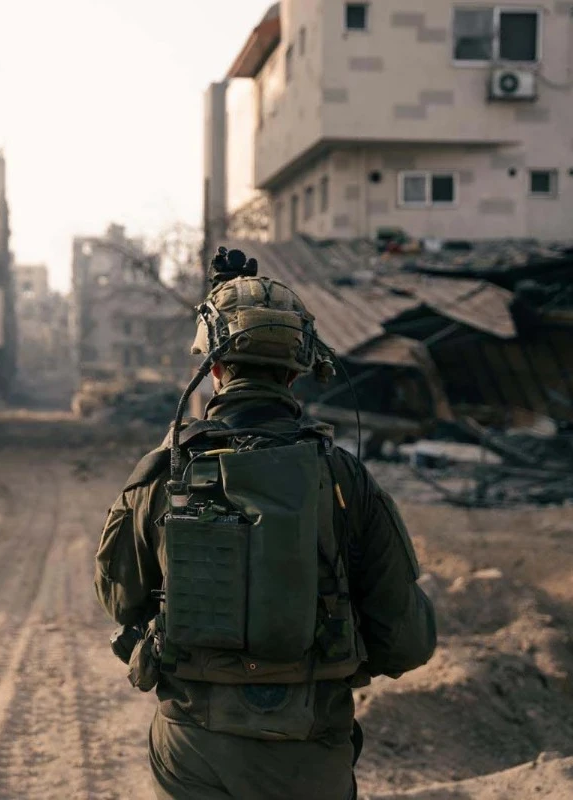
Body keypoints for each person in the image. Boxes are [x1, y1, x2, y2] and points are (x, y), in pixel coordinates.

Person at [94, 250, 436, 800]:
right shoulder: (347, 481)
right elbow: (408, 643)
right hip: (308, 748)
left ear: (213, 369)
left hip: (194, 750)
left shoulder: (166, 472)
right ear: (299, 370)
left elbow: (119, 597)